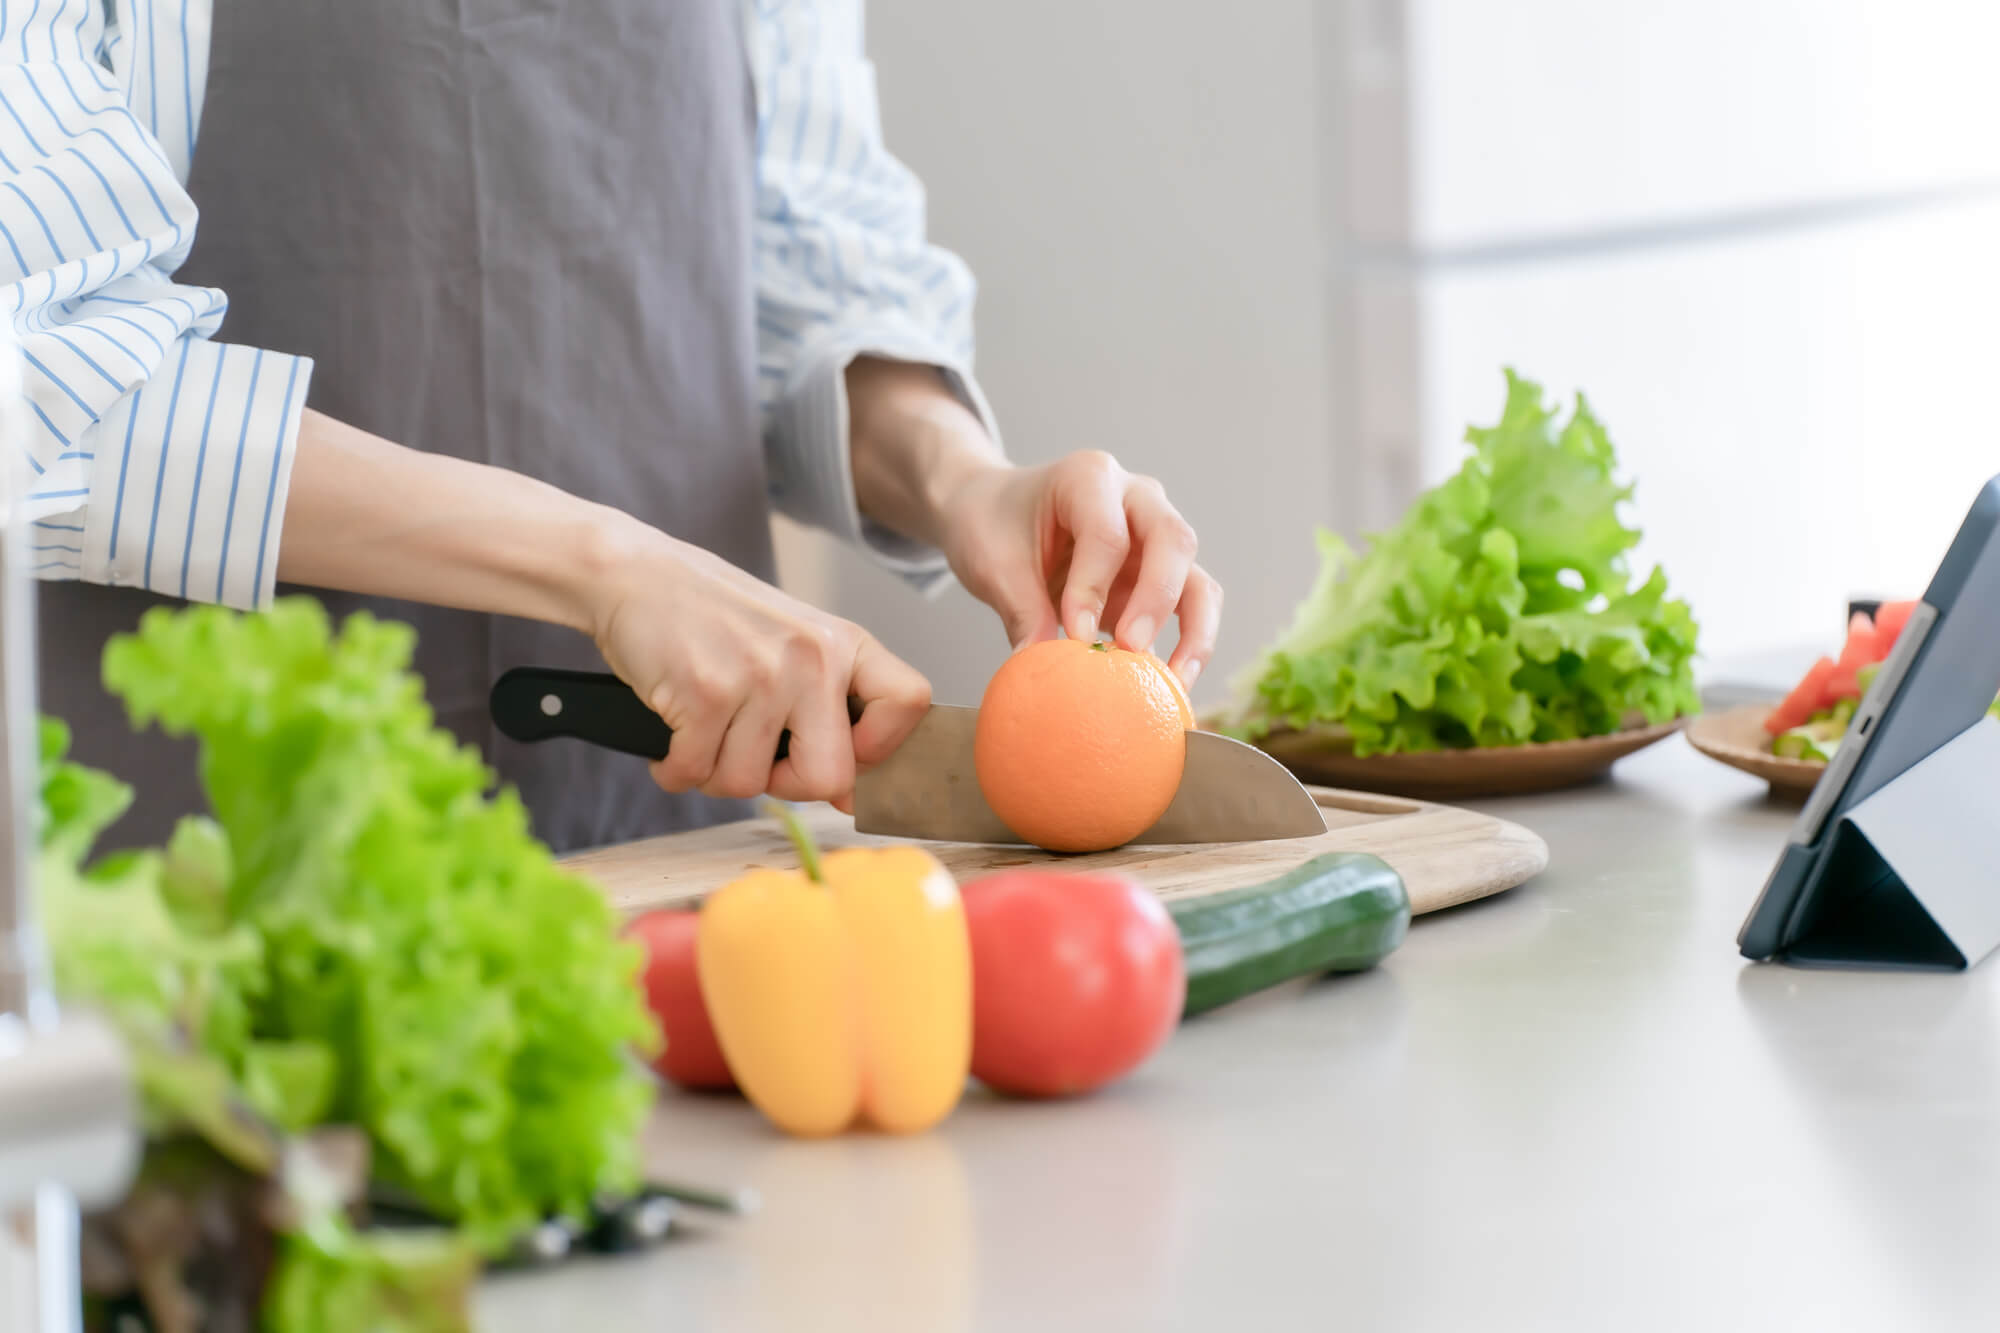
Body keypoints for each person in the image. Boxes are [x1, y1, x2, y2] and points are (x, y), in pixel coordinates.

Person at [10, 0, 1220, 853]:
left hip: (664, 873)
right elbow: (44, 375)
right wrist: (607, 566)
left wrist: (961, 478)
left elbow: (799, 250)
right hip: (192, 869)